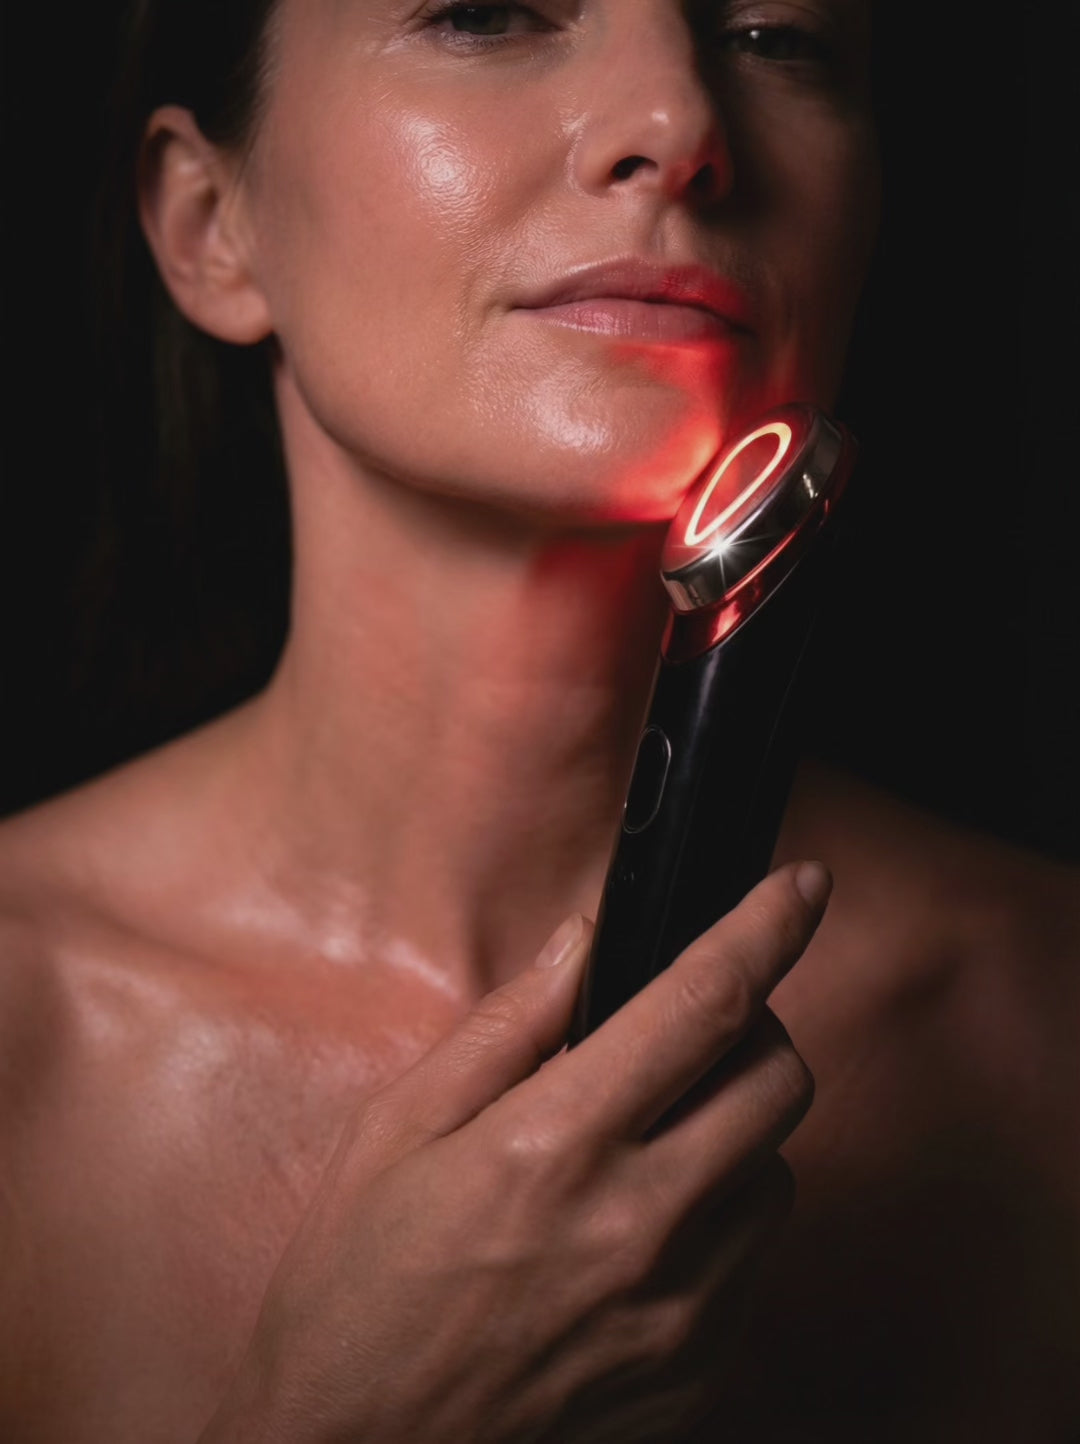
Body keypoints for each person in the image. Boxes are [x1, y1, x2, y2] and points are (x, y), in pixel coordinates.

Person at [1, 2, 1076, 1441]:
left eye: (777, 36)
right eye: (486, 14)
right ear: (210, 224)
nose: (682, 127)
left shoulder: (1046, 1036)